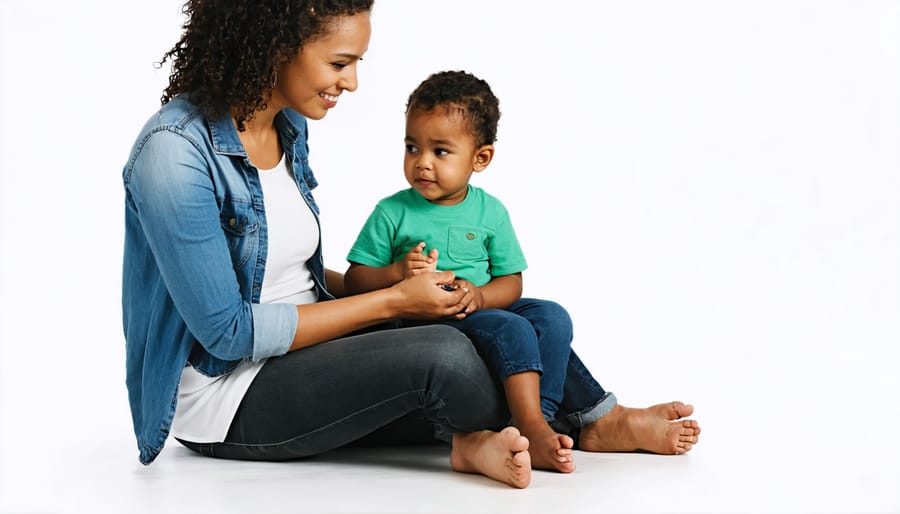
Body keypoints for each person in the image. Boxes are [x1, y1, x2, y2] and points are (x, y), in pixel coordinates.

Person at [121, 0, 700, 491]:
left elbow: (284, 271)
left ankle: (591, 418)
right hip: (231, 393)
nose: (351, 82)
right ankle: (528, 425)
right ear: (277, 44)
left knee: (512, 318)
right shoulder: (174, 154)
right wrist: (395, 302)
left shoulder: (285, 127)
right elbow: (229, 330)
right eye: (340, 62)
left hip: (318, 336)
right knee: (450, 357)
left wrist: (405, 287)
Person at [344, 70, 579, 473]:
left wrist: (482, 295)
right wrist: (396, 273)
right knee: (514, 330)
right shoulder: (392, 212)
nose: (422, 163)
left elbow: (511, 282)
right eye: (412, 147)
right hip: (428, 322)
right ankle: (532, 427)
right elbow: (354, 282)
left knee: (552, 316)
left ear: (480, 158)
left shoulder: (491, 212)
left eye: (440, 151)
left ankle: (536, 419)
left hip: (479, 308)